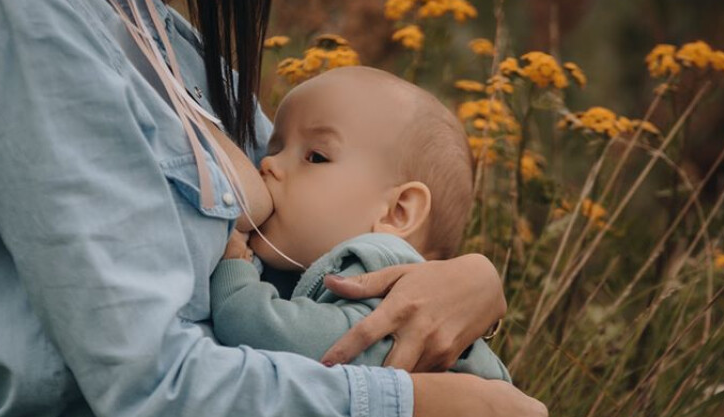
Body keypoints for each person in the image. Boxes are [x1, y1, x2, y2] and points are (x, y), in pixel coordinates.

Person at [0, 0, 553, 417]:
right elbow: (154, 395)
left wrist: (470, 277)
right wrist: (447, 413)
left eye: (307, 154)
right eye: (281, 154)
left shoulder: (161, 36)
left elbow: (320, 207)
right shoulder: (31, 26)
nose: (276, 168)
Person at [210, 66, 511, 383]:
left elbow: (274, 336)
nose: (267, 164)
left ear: (397, 213)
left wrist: (235, 272)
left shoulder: (379, 273)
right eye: (275, 149)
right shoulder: (311, 266)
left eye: (315, 157)